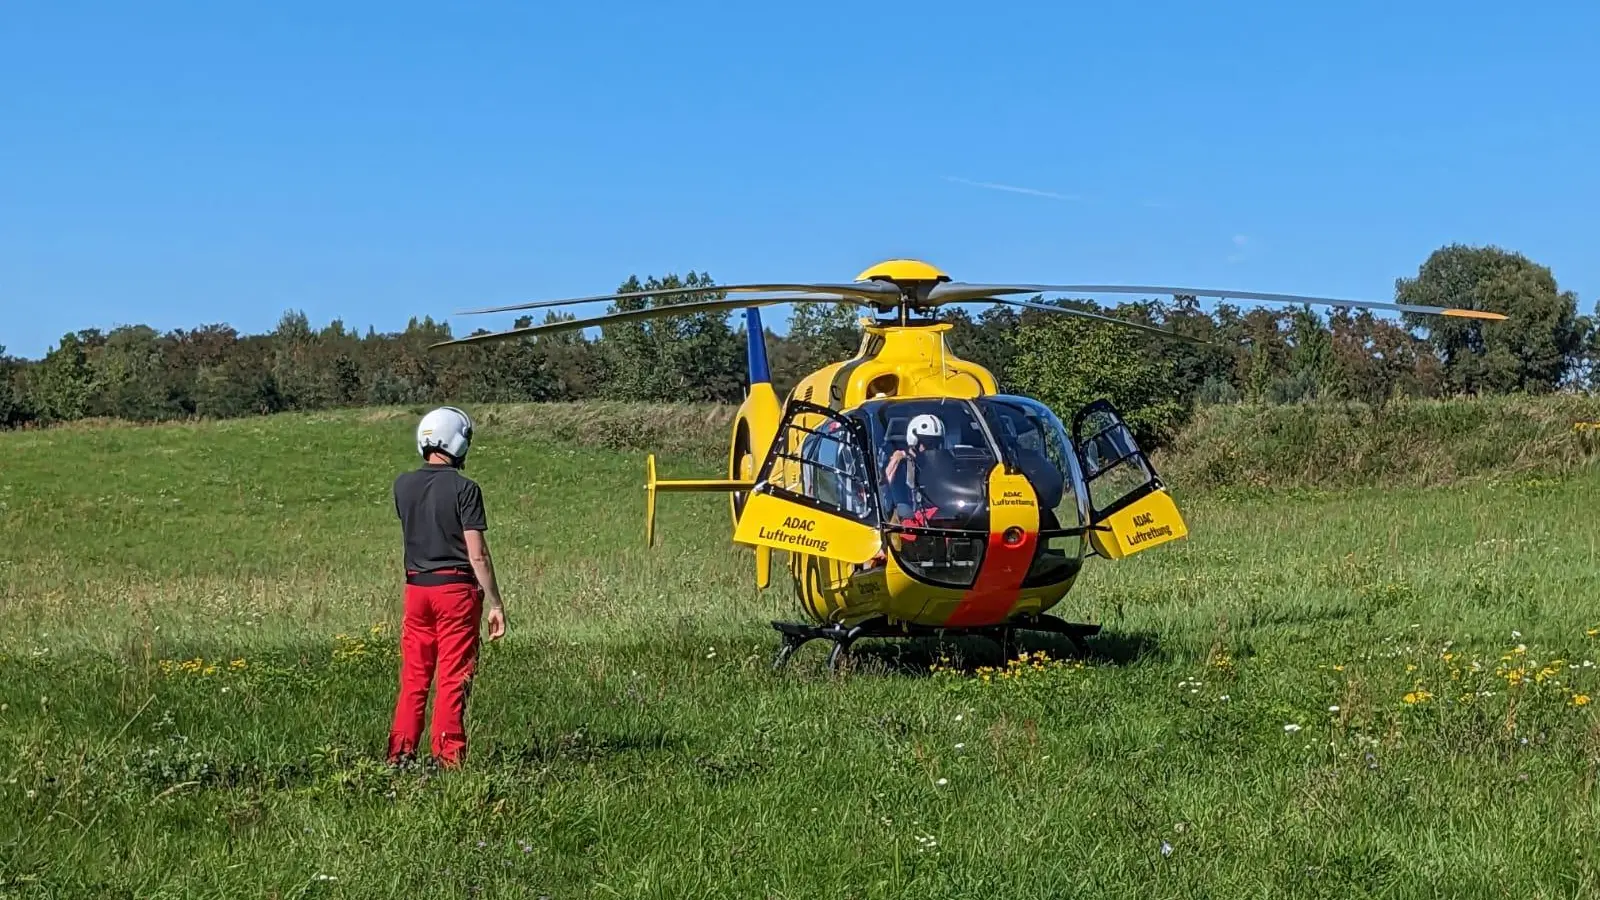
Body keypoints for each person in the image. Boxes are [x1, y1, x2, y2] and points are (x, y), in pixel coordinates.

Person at [386, 406, 506, 768]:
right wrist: (496, 603)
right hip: (455, 593)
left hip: (415, 590)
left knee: (414, 677)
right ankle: (448, 759)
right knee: (453, 677)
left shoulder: (402, 485)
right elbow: (478, 555)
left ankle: (400, 754)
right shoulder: (466, 489)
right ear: (457, 442)